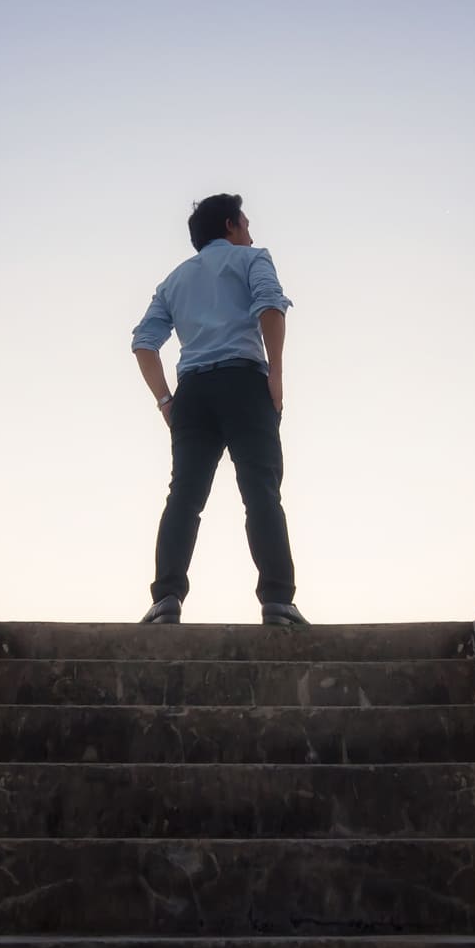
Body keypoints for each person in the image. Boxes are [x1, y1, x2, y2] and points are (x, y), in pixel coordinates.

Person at [130, 193, 308, 626]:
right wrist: (276, 375)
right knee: (261, 493)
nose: (250, 232)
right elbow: (269, 306)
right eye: (245, 223)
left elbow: (143, 342)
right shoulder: (252, 259)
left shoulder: (174, 280)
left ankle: (166, 598)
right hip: (244, 383)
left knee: (184, 497)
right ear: (230, 224)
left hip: (192, 393)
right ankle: (277, 601)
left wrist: (166, 400)